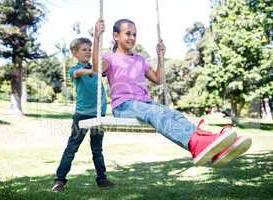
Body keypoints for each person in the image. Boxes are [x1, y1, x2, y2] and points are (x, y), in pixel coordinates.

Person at [92, 18, 252, 167]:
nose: (132, 38)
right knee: (156, 113)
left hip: (144, 104)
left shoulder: (140, 60)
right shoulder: (110, 58)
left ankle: (212, 143)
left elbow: (158, 79)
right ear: (115, 36)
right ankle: (197, 143)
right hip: (124, 106)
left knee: (175, 115)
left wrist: (160, 56)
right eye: (128, 33)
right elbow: (96, 68)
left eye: (134, 34)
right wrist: (97, 37)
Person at [52, 37, 115, 192]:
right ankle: (60, 180)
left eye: (89, 49)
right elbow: (79, 73)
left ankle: (102, 179)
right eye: (84, 49)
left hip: (98, 115)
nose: (88, 52)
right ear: (75, 53)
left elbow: (108, 62)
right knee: (71, 148)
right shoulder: (75, 70)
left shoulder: (97, 67)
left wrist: (113, 48)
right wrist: (92, 70)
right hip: (82, 115)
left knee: (97, 150)